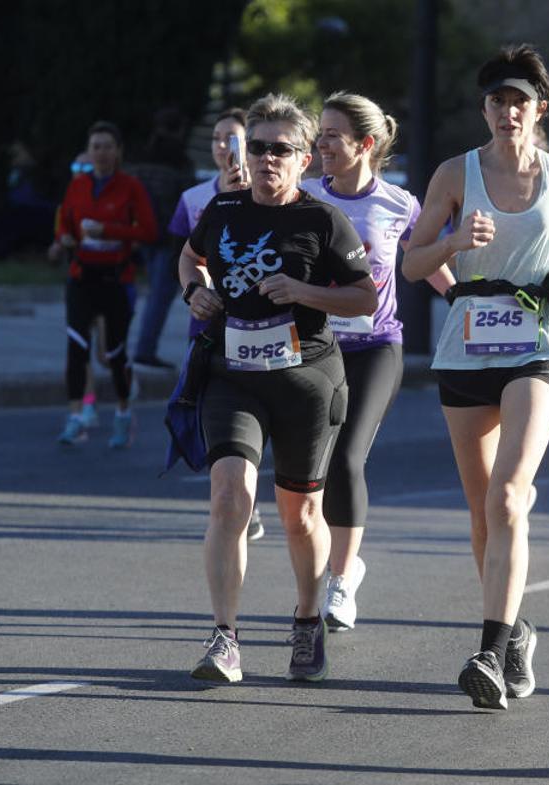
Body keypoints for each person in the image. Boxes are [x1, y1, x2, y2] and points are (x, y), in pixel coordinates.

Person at [401, 44, 549, 710]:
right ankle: (517, 627)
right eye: (497, 100)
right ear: (485, 108)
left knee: (511, 495)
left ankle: (488, 650)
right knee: (481, 510)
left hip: (540, 343)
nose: (507, 111)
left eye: (519, 100)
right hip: (467, 345)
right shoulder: (453, 175)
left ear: (538, 109)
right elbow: (412, 264)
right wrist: (454, 244)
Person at [179, 93, 377, 684]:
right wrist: (195, 292)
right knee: (228, 497)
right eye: (257, 147)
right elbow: (188, 260)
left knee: (300, 515)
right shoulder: (223, 208)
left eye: (280, 150)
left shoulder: (322, 220)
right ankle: (225, 637)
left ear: (305, 159)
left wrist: (304, 291)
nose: (266, 159)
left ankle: (308, 618)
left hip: (306, 380)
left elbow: (365, 297)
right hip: (233, 377)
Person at [301, 91, 455, 630]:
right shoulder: (302, 198)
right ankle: (328, 563)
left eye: (332, 135)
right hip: (312, 348)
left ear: (365, 144)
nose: (321, 144)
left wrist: (458, 300)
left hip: (376, 347)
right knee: (308, 468)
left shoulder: (399, 204)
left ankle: (341, 580)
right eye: (319, 134)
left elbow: (422, 259)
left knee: (347, 459)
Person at [167, 108, 265, 541]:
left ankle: (248, 497)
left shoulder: (265, 194)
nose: (226, 147)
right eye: (219, 139)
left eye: (235, 139)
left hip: (262, 328)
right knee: (217, 419)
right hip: (208, 327)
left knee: (258, 419)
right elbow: (185, 258)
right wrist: (195, 291)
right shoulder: (194, 199)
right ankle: (234, 501)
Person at [54, 121, 157, 448]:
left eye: (107, 146)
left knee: (113, 353)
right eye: (96, 146)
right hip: (82, 277)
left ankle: (124, 414)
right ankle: (74, 418)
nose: (101, 152)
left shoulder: (130, 187)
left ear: (118, 151)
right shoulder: (78, 185)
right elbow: (65, 224)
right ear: (90, 150)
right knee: (76, 347)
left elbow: (150, 232)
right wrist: (65, 238)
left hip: (116, 280)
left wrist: (110, 231)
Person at [130, 107, 199, 371]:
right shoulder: (179, 161)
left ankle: (144, 348)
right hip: (169, 239)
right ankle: (145, 349)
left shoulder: (142, 157)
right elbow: (188, 203)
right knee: (160, 296)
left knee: (155, 295)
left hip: (145, 234)